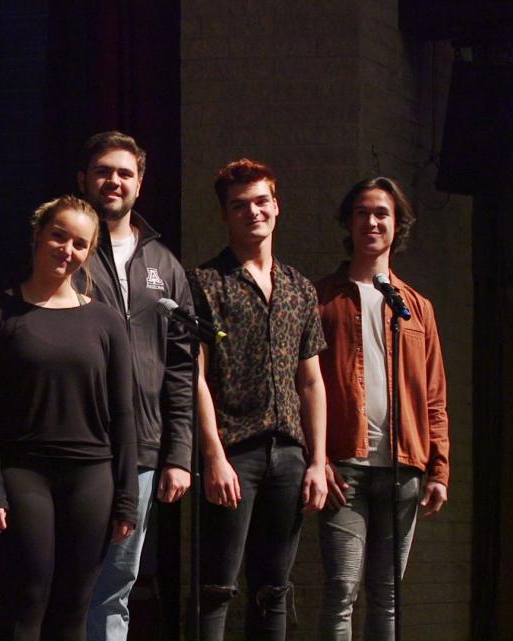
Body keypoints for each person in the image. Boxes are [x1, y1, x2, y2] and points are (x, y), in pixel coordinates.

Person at [0, 195, 138, 641]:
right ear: (38, 235)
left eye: (79, 243)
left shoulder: (106, 321)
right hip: (23, 472)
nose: (66, 249)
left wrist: (127, 496)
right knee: (28, 601)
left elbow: (122, 411)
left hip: (92, 474)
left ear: (89, 251)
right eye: (58, 235)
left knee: (74, 609)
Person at [188, 158, 329, 640]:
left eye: (261, 201)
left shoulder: (299, 288)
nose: (253, 212)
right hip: (234, 452)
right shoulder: (204, 283)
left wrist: (317, 460)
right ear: (226, 215)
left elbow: (311, 381)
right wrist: (213, 456)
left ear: (277, 206)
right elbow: (196, 377)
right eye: (240, 205)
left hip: (289, 454)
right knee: (217, 588)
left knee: (274, 591)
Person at [315, 177, 450, 641]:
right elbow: (301, 388)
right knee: (341, 590)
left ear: (397, 225)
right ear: (348, 223)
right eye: (362, 213)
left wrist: (439, 470)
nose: (372, 222)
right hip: (344, 469)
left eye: (382, 214)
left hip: (404, 469)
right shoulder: (321, 298)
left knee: (388, 596)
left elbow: (434, 396)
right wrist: (319, 460)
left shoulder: (417, 308)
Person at [75, 131, 194, 641]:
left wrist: (179, 454)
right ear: (84, 180)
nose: (114, 181)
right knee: (71, 579)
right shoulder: (67, 249)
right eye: (104, 170)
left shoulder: (164, 264)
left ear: (140, 183)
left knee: (117, 584)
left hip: (144, 450)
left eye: (125, 173)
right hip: (77, 442)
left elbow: (182, 365)